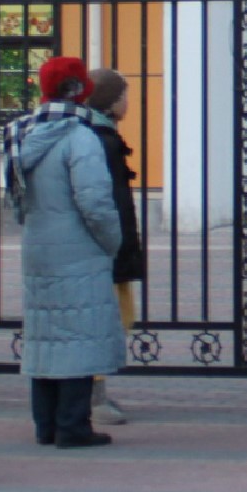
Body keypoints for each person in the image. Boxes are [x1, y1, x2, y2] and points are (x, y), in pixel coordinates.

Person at [10, 57, 128, 450]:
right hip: (78, 251)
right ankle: (73, 425)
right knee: (78, 336)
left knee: (45, 337)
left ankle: (45, 424)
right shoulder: (80, 137)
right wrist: (111, 241)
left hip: (38, 249)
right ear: (78, 91)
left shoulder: (24, 134)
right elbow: (95, 202)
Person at [83, 68, 146, 428]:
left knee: (112, 317)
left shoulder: (100, 135)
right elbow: (110, 204)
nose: (128, 102)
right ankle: (93, 398)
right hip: (105, 251)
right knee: (104, 321)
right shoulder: (100, 140)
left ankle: (95, 393)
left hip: (107, 250)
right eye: (124, 94)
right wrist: (117, 247)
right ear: (111, 100)